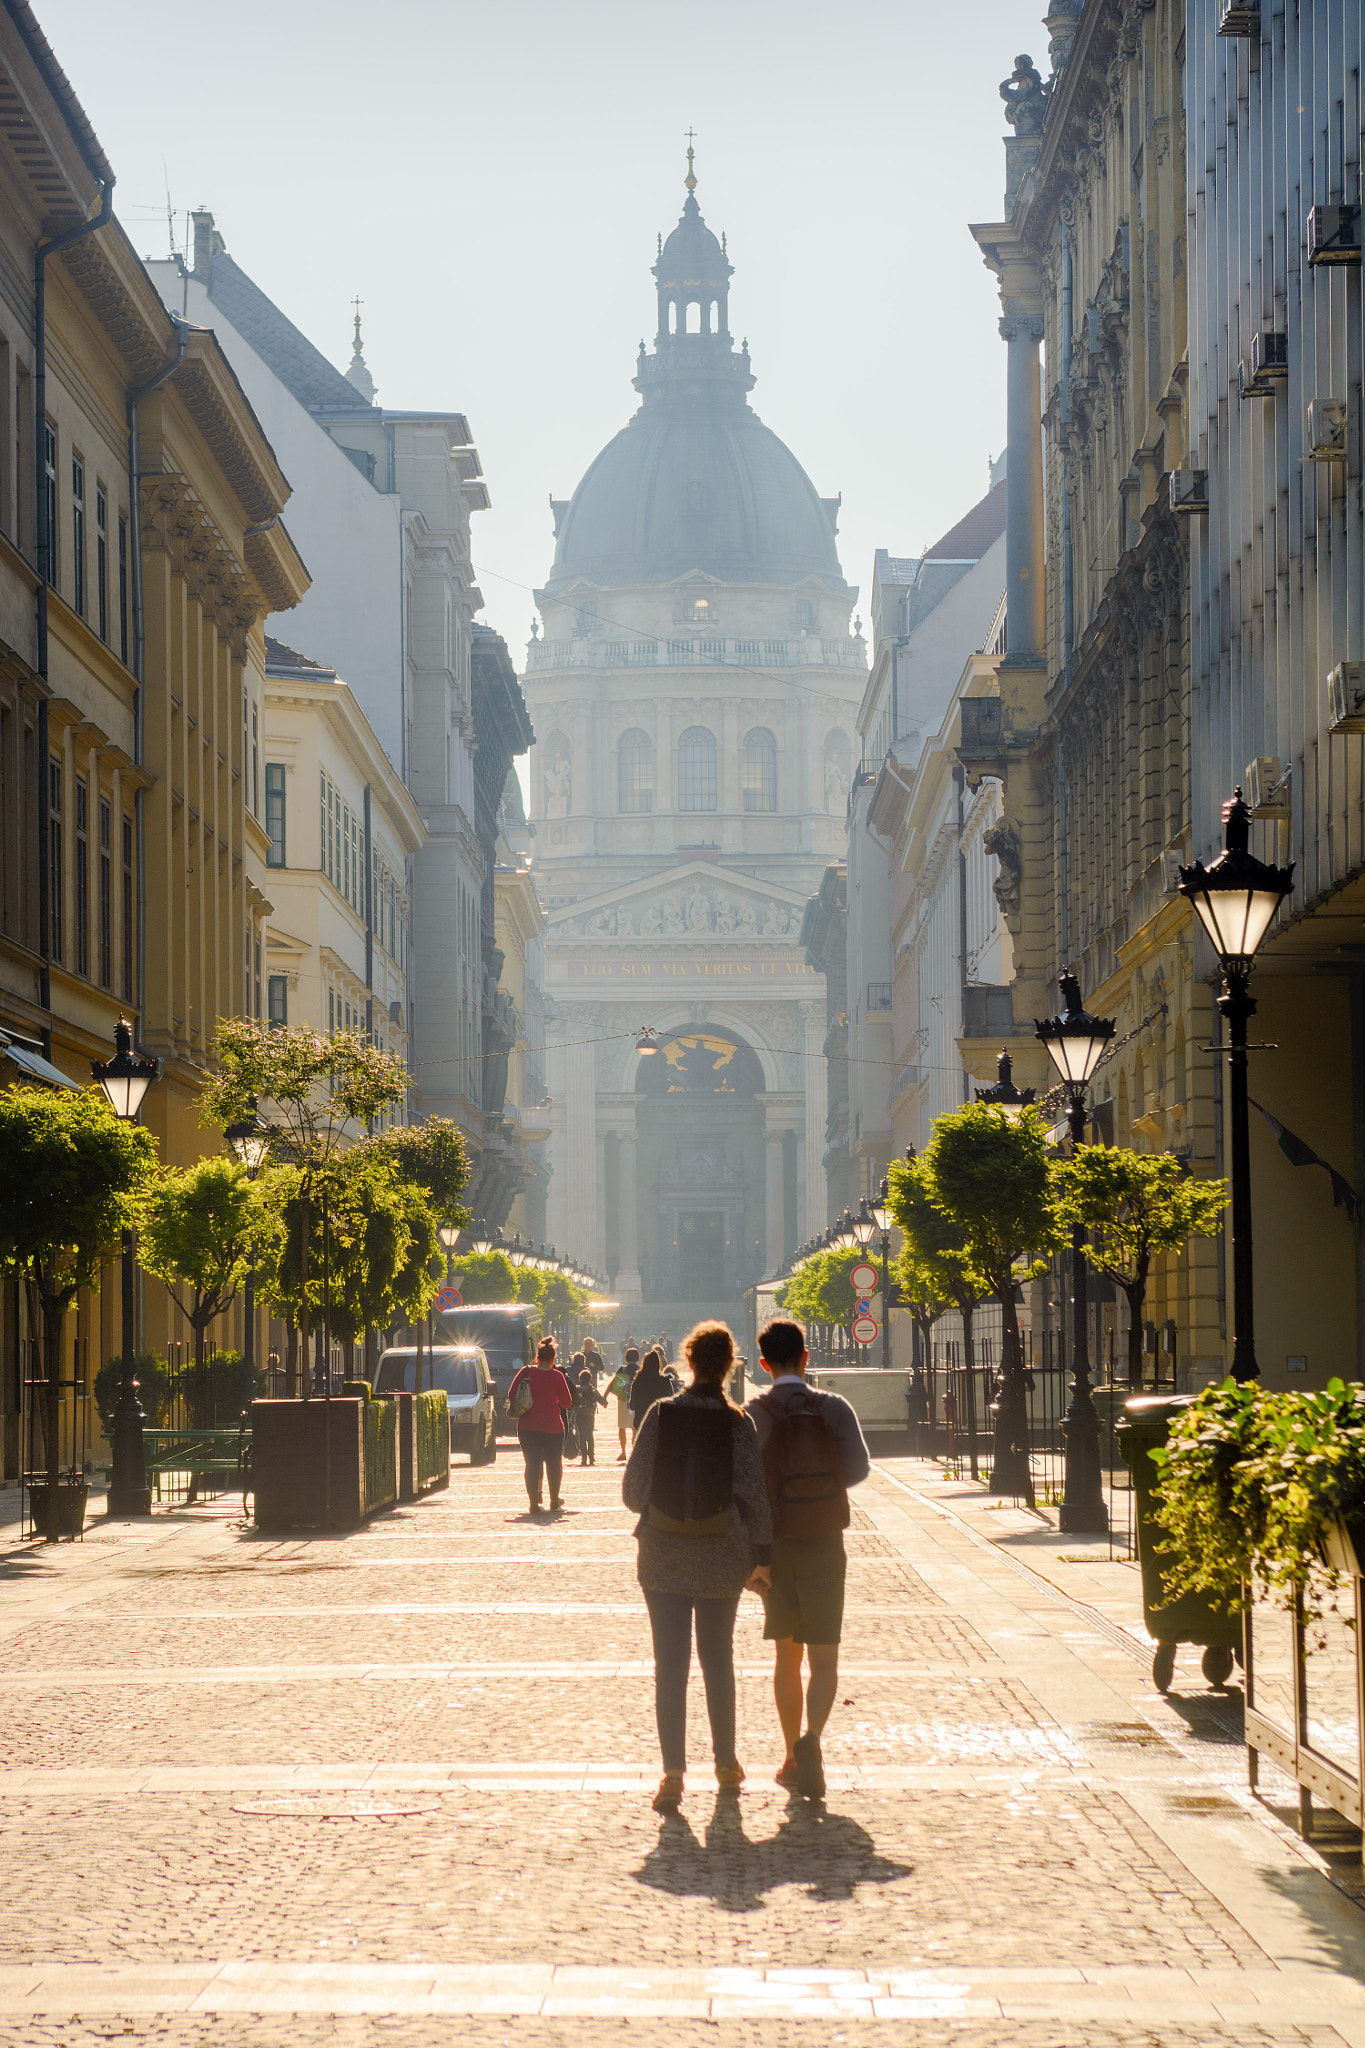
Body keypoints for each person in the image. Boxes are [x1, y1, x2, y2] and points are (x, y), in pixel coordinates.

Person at [623, 1320, 772, 1813]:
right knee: (717, 1660)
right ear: (731, 1366)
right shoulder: (737, 1423)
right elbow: (755, 1496)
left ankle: (672, 1775)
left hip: (663, 1555)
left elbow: (631, 1494)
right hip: (721, 1555)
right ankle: (726, 1763)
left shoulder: (661, 1414)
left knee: (670, 1665)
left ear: (687, 1361)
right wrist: (762, 1558)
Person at [751, 1317, 870, 1800]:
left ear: (763, 1363)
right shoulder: (834, 1406)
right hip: (825, 1541)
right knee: (824, 1656)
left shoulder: (754, 1413)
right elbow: (859, 1468)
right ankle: (814, 1741)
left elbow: (747, 1486)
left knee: (786, 1654)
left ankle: (789, 1757)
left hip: (776, 1546)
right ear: (805, 1358)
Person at [506, 1336, 574, 1516]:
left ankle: (533, 1503)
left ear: (537, 1357)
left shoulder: (525, 1372)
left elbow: (512, 1393)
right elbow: (567, 1402)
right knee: (554, 1463)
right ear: (553, 1359)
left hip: (528, 1426)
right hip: (553, 1426)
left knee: (532, 1464)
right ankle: (554, 1500)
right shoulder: (558, 1376)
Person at [628, 1346, 674, 1432]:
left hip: (642, 1423)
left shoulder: (638, 1381)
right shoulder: (665, 1382)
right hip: (660, 1423)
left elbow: (632, 1406)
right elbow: (671, 1404)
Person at [609, 1347, 638, 1461]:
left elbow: (613, 1384)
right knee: (634, 1427)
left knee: (622, 1427)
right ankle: (634, 1452)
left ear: (626, 1358)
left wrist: (605, 1397)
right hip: (636, 1400)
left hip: (623, 1400)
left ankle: (623, 1452)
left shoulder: (622, 1369)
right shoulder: (640, 1369)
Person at [575, 1366, 608, 1465]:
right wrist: (604, 1403)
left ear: (580, 1379)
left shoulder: (577, 1389)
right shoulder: (591, 1389)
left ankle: (583, 1457)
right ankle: (591, 1456)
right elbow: (600, 1399)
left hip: (579, 1414)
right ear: (590, 1379)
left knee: (581, 1435)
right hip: (589, 1414)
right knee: (589, 1435)